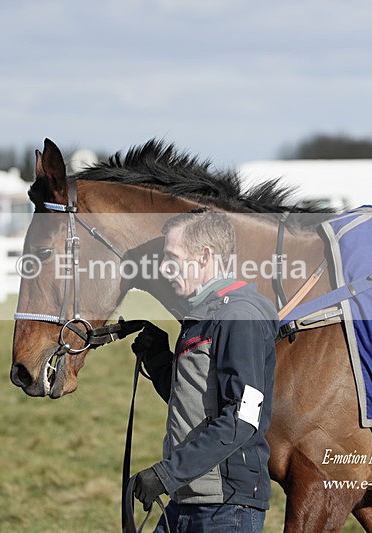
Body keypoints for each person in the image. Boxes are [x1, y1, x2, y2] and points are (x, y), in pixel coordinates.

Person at [130, 211, 278, 533]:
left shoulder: (239, 316)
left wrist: (166, 474)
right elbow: (196, 400)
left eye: (172, 258)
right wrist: (158, 359)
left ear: (205, 256)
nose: (163, 269)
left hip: (225, 508)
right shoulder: (205, 315)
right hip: (186, 499)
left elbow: (242, 418)